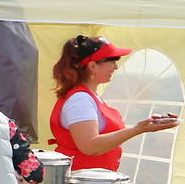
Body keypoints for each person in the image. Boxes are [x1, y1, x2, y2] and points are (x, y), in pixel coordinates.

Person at [48, 34, 178, 170]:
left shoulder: (88, 96)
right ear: (92, 66)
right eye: (112, 61)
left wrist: (144, 126)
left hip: (90, 183)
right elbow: (89, 146)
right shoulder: (80, 100)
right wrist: (138, 129)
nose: (115, 67)